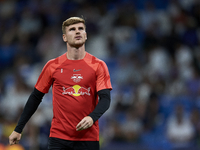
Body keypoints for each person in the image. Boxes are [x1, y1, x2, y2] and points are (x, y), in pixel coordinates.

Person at [8, 17, 112, 150]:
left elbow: (105, 99)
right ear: (64, 37)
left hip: (88, 138)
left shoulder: (98, 65)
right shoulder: (52, 66)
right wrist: (18, 129)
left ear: (85, 35)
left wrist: (92, 118)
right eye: (72, 29)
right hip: (59, 138)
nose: (77, 32)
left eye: (81, 29)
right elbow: (35, 98)